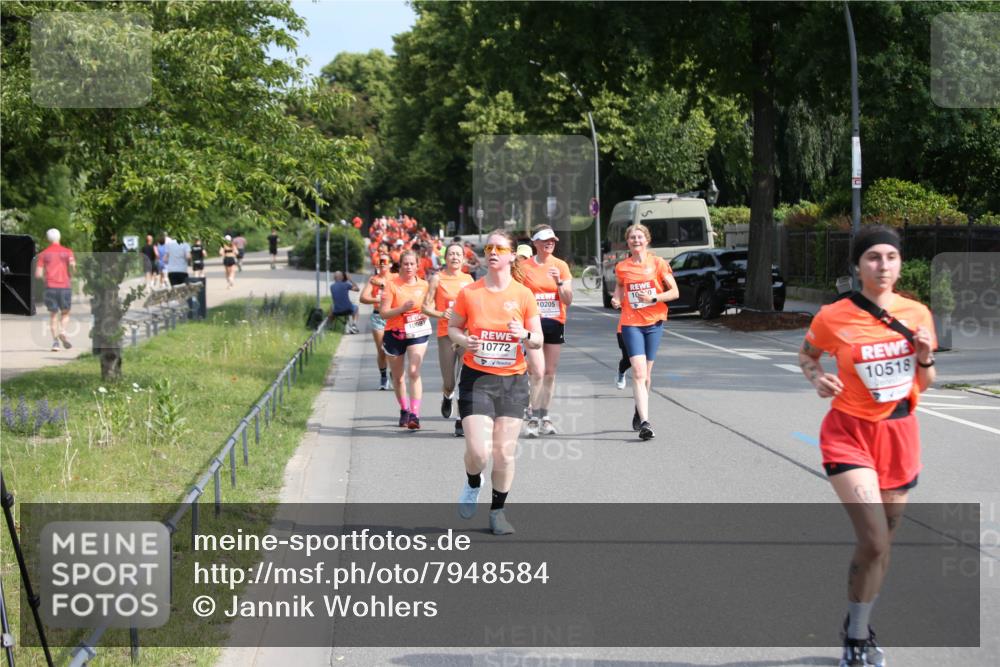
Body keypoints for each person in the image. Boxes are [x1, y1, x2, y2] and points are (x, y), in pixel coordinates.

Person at [798, 225, 936, 667]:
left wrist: (926, 358)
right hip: (848, 433)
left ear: (900, 263)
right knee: (874, 540)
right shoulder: (833, 316)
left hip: (900, 435)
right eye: (873, 257)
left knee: (884, 545)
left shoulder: (917, 313)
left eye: (891, 257)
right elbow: (807, 355)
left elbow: (925, 383)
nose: (883, 265)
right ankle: (857, 640)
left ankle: (858, 625)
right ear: (858, 266)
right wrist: (818, 378)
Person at [448, 229, 542, 535]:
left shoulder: (523, 295)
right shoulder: (470, 292)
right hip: (477, 378)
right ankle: (474, 481)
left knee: (503, 452)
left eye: (500, 248)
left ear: (512, 255)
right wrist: (465, 341)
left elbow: (538, 339)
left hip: (513, 380)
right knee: (478, 452)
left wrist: (524, 335)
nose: (493, 252)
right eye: (489, 247)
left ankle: (498, 512)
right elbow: (453, 327)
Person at [610, 223, 679, 441]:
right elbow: (620, 288)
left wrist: (654, 298)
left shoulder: (658, 264)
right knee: (638, 373)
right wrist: (615, 299)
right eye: (632, 238)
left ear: (647, 240)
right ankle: (646, 424)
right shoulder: (622, 267)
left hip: (654, 323)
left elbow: (675, 292)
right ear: (628, 242)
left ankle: (639, 410)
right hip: (631, 323)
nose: (636, 241)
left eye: (639, 237)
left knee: (647, 376)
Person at [518, 226, 573, 437]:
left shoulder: (561, 266)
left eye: (552, 240)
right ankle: (532, 416)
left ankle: (544, 415)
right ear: (535, 243)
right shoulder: (524, 267)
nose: (550, 243)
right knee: (537, 371)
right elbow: (516, 296)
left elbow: (568, 300)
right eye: (545, 240)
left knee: (549, 373)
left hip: (555, 322)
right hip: (532, 324)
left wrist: (559, 281)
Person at [423, 243, 474, 438]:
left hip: (465, 333)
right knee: (450, 382)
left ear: (463, 258)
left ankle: (461, 420)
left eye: (458, 254)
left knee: (464, 379)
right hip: (445, 334)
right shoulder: (437, 278)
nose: (455, 257)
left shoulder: (468, 279)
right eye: (451, 254)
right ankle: (447, 396)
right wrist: (441, 313)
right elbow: (424, 307)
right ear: (446, 258)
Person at [380, 250, 431, 430]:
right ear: (400, 266)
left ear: (418, 266)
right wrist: (402, 308)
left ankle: (414, 415)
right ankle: (404, 409)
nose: (409, 267)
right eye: (405, 264)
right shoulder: (392, 285)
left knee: (414, 371)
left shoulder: (425, 285)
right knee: (399, 377)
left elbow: (430, 307)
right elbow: (384, 313)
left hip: (418, 331)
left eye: (412, 264)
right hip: (395, 333)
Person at [35, 228, 77, 351]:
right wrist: (71, 273)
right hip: (65, 287)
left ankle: (55, 343)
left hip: (50, 287)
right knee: (65, 313)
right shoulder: (68, 252)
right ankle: (63, 331)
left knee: (53, 315)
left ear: (48, 239)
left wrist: (46, 280)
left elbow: (38, 274)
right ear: (59, 237)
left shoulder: (43, 254)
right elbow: (73, 268)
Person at [360, 251, 393, 390]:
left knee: (394, 350)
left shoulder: (395, 278)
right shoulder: (373, 279)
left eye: (385, 262)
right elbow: (363, 298)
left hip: (393, 317)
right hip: (378, 316)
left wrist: (383, 287)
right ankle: (384, 377)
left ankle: (394, 374)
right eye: (380, 262)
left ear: (390, 264)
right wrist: (377, 299)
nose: (382, 264)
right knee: (381, 350)